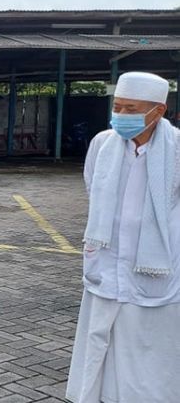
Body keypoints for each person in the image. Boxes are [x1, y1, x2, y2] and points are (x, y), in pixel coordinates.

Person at [66, 72, 180, 402]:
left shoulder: (175, 151)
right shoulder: (103, 144)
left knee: (148, 348)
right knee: (101, 338)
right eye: (117, 107)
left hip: (156, 267)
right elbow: (93, 187)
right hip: (108, 261)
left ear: (158, 111)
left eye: (131, 109)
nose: (121, 116)